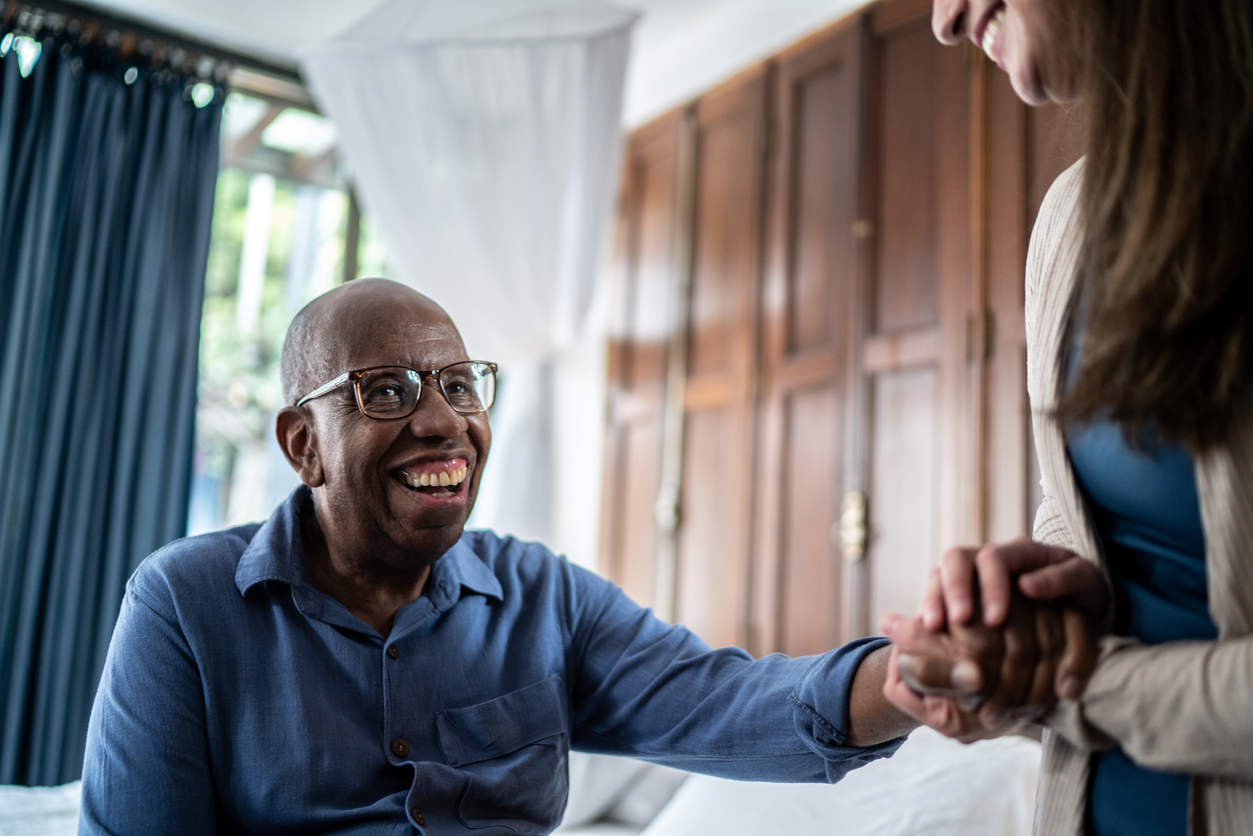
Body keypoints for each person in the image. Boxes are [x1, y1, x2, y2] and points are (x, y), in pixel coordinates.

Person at [84, 277, 1042, 834]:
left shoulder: (542, 597)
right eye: (385, 391)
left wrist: (904, 679)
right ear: (302, 445)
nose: (440, 419)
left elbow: (723, 700)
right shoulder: (184, 604)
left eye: (460, 384)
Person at [883, 1, 1253, 834]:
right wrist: (1022, 612)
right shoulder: (1067, 220)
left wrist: (1066, 686)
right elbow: (1077, 512)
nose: (943, 20)